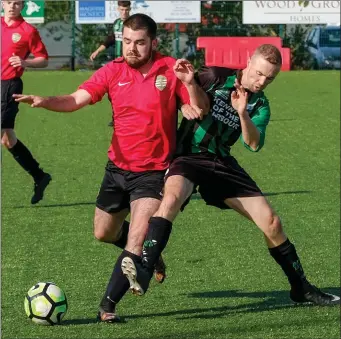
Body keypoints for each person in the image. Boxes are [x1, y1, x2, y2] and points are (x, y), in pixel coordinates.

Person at [14, 13, 210, 321]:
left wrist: (190, 86)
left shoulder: (170, 70)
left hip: (153, 172)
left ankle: (108, 305)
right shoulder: (112, 71)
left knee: (134, 240)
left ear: (153, 43)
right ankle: (150, 255)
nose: (132, 49)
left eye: (140, 43)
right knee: (104, 233)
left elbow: (199, 108)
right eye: (127, 42)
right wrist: (45, 100)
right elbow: (76, 99)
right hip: (117, 169)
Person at [121, 44, 340, 306]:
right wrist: (183, 105)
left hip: (221, 162)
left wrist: (242, 113)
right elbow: (178, 92)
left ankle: (301, 289)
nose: (262, 82)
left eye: (270, 78)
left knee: (272, 223)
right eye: (259, 73)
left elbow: (253, 144)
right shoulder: (215, 76)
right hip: (188, 157)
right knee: (171, 200)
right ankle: (144, 269)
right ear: (248, 62)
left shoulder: (260, 104)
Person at [1, 0, 51, 205]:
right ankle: (39, 176)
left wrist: (25, 62)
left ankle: (39, 176)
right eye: (9, 2)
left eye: (17, 3)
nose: (12, 6)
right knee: (7, 138)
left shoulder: (27, 30)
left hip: (9, 86)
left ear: (23, 6)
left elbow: (44, 59)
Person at [89, 1, 131, 127]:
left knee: (129, 90)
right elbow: (110, 40)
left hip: (130, 63)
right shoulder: (117, 23)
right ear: (118, 9)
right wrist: (97, 51)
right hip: (118, 64)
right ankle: (116, 117)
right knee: (113, 90)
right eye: (122, 9)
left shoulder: (133, 24)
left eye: (126, 10)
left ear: (130, 9)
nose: (124, 12)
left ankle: (131, 116)